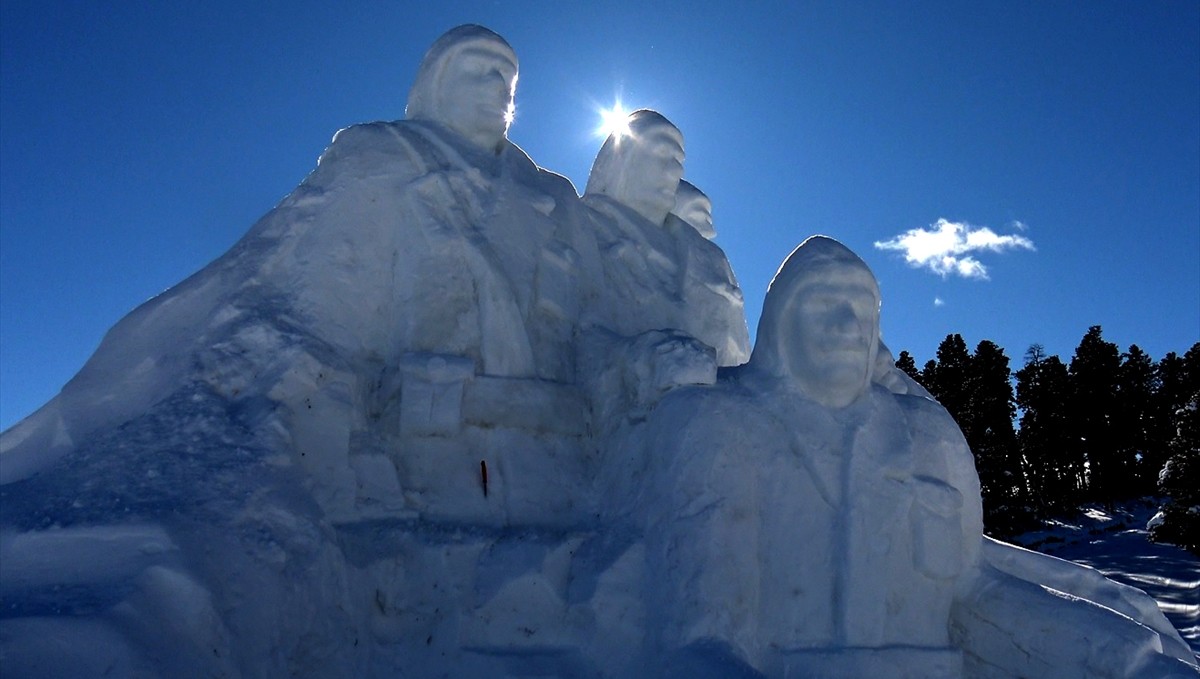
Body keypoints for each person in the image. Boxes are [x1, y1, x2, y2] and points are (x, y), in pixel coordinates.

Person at [637, 236, 984, 677]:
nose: (846, 324)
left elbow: (976, 590)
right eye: (824, 303)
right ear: (782, 323)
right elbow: (699, 640)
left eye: (860, 306)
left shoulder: (928, 434)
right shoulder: (720, 423)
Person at [582, 112, 748, 367]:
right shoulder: (583, 227)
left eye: (678, 160)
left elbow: (739, 357)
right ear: (622, 158)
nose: (675, 169)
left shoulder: (712, 260)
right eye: (661, 152)